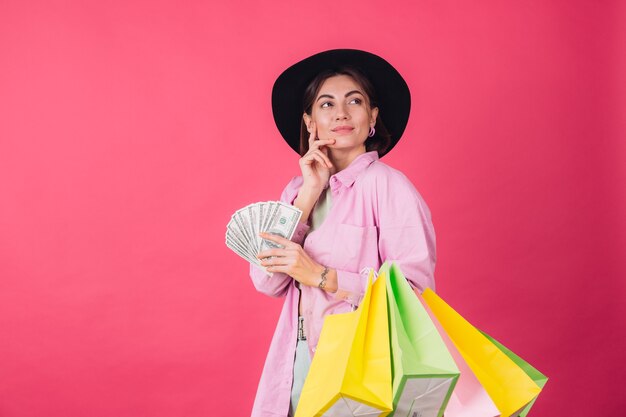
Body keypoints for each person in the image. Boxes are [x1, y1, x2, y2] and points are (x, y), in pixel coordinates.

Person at [248, 49, 437, 417]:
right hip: (297, 355)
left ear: (372, 118)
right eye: (326, 103)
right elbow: (265, 281)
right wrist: (307, 193)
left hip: (362, 363)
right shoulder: (295, 191)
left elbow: (414, 294)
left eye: (355, 101)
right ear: (309, 121)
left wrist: (321, 276)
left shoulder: (390, 187)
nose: (341, 113)